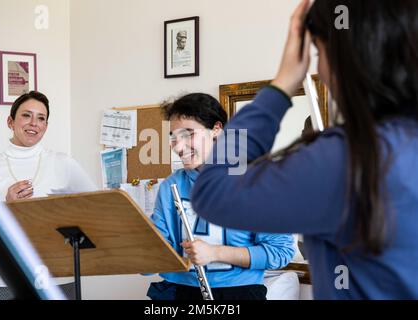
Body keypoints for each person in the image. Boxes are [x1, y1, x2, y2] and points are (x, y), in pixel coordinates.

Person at [191, 0, 418, 299]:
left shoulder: (348, 161)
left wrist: (282, 84)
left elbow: (213, 191)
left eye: (318, 53)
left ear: (343, 58)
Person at [147, 93, 295, 300]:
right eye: (173, 137)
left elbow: (280, 252)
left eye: (188, 134)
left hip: (238, 294)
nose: (178, 147)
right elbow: (157, 250)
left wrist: (215, 253)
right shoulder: (170, 185)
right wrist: (138, 253)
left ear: (216, 130)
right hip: (178, 292)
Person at [0, 91, 97, 299]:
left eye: (41, 118)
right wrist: (5, 207)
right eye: (26, 115)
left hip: (57, 280)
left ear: (46, 126)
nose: (34, 123)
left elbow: (99, 210)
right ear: (10, 121)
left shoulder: (64, 164)